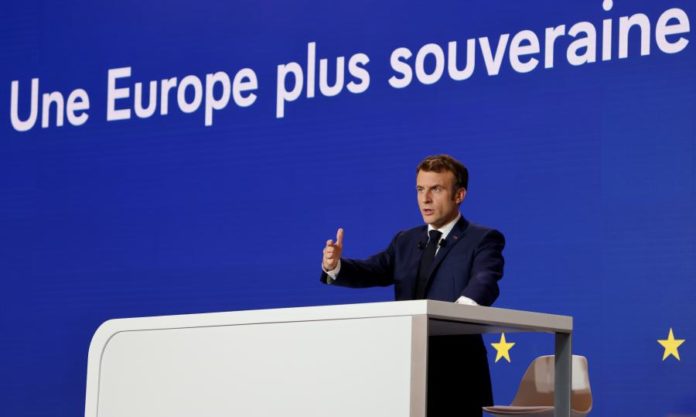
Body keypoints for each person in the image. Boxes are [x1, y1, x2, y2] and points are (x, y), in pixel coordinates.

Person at [320, 154, 505, 417]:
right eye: (420, 189)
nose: (425, 199)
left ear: (459, 195)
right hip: (406, 368)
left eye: (436, 189)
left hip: (457, 372)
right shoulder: (405, 240)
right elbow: (373, 270)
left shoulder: (482, 239)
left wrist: (459, 312)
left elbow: (485, 279)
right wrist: (335, 265)